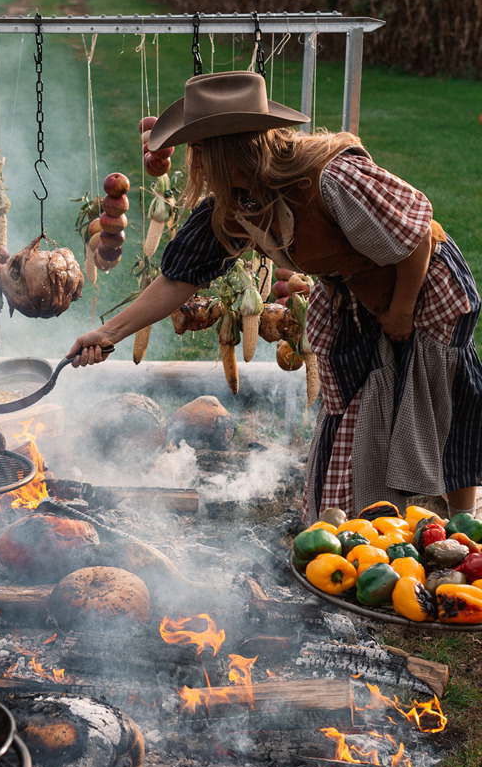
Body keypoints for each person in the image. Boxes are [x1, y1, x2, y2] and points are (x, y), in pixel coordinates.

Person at [67, 70, 482, 523]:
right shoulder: (235, 202)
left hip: (422, 287)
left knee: (442, 402)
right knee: (359, 421)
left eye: (202, 150)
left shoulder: (330, 178)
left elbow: (417, 238)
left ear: (232, 149)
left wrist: (402, 311)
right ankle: (354, 531)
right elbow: (177, 281)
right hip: (360, 300)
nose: (195, 163)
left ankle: (465, 531)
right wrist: (106, 333)